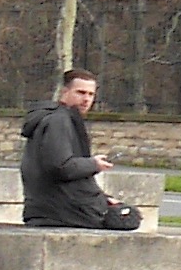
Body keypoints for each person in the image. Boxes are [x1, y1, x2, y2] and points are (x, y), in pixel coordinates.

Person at [18, 66, 147, 232]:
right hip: (63, 211)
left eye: (91, 94)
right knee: (128, 217)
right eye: (80, 93)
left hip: (59, 208)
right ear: (65, 92)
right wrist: (94, 164)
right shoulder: (58, 121)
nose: (86, 99)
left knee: (125, 214)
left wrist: (104, 199)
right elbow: (60, 167)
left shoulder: (60, 119)